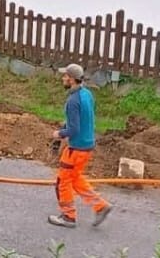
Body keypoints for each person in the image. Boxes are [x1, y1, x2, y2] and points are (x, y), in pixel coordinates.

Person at [49, 63, 112, 229]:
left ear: (71, 79)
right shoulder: (87, 94)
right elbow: (84, 118)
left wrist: (59, 134)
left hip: (76, 149)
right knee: (75, 178)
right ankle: (101, 206)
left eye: (65, 76)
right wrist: (68, 123)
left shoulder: (72, 101)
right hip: (87, 145)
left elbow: (74, 129)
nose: (63, 78)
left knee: (63, 181)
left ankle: (68, 217)